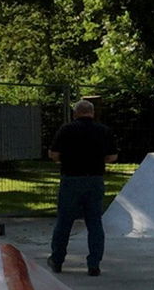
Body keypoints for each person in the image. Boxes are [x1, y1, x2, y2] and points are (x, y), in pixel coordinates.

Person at [47, 99, 117, 275]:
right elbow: (112, 157)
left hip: (71, 179)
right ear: (92, 112)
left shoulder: (67, 129)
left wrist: (65, 159)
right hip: (94, 179)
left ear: (75, 113)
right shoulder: (103, 130)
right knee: (94, 223)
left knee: (64, 222)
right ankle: (94, 264)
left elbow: (54, 154)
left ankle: (57, 260)